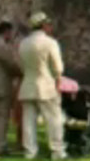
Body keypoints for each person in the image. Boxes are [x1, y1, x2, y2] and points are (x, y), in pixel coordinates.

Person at [18, 12, 66, 160]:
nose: (50, 27)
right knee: (54, 120)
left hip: (28, 84)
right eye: (49, 24)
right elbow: (58, 67)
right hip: (46, 85)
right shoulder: (50, 43)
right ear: (44, 25)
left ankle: (30, 151)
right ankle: (57, 151)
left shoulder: (23, 43)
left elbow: (21, 66)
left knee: (28, 121)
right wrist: (58, 81)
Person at [0, 22, 22, 157]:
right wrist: (21, 72)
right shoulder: (0, 46)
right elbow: (12, 65)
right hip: (0, 87)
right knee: (1, 117)